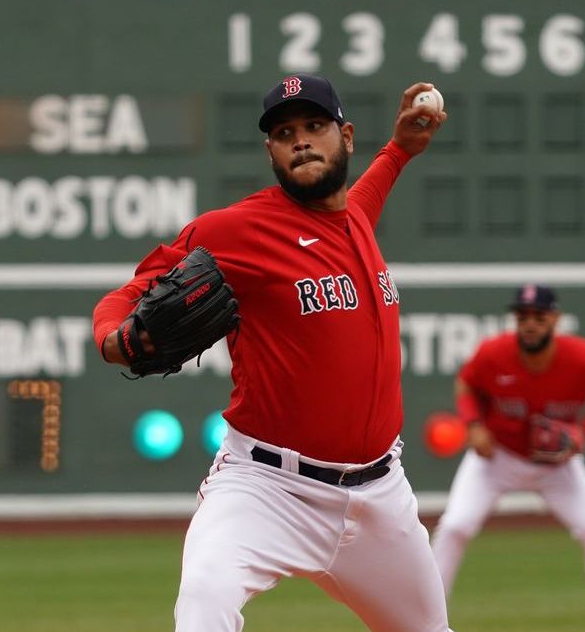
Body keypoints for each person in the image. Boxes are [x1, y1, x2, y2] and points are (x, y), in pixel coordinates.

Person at [92, 74, 451, 632]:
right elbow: (128, 293)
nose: (300, 140)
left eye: (314, 126)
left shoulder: (353, 220)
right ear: (271, 151)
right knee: (204, 601)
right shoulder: (238, 230)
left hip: (380, 496)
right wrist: (112, 339)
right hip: (267, 488)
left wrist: (401, 149)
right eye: (285, 133)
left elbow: (363, 198)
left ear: (346, 137)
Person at [431, 284, 585, 632]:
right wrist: (474, 425)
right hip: (497, 459)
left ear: (555, 319)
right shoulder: (494, 353)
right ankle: (425, 619)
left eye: (539, 317)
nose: (529, 324)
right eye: (522, 317)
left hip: (557, 465)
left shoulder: (583, 358)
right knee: (454, 527)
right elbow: (466, 383)